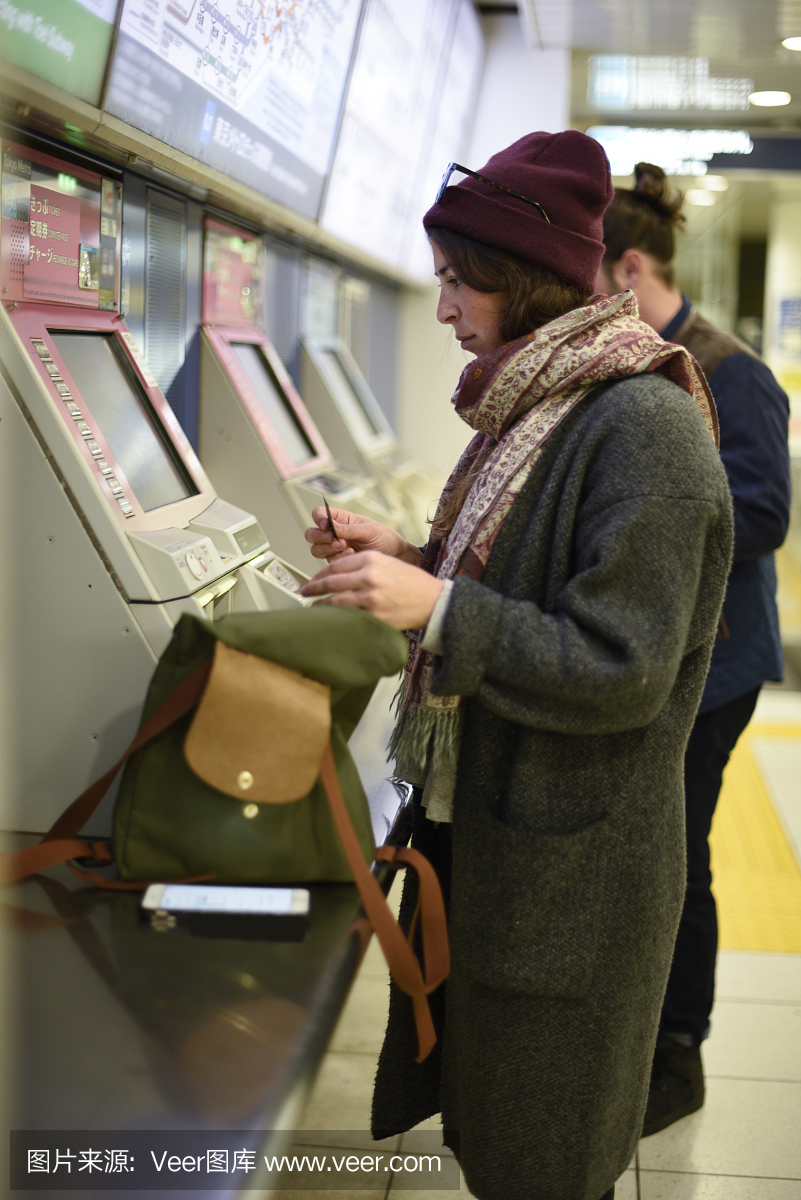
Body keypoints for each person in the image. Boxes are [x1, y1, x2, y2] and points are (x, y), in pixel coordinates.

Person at [300, 132, 733, 1200]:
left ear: (527, 282)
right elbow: (528, 575)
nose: (442, 307)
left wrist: (441, 606)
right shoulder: (542, 404)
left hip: (577, 877)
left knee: (544, 1155)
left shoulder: (644, 426)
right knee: (498, 1130)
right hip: (507, 847)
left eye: (459, 283)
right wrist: (410, 561)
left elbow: (621, 663)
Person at [595, 163, 791, 1137]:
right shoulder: (630, 360)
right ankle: (637, 1029)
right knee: (649, 847)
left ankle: (680, 1052)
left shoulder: (729, 368)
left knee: (682, 853)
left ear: (630, 267)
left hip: (714, 665)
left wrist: (652, 509)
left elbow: (764, 512)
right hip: (651, 654)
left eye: (592, 281)